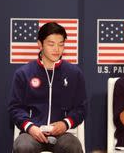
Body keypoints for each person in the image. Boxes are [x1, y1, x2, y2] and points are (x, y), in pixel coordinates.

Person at [9, 22, 87, 153]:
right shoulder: (24, 73)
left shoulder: (74, 73)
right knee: (23, 146)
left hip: (62, 135)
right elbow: (15, 108)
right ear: (40, 44)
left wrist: (65, 123)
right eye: (51, 44)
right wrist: (30, 127)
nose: (56, 49)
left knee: (72, 146)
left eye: (61, 44)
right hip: (32, 133)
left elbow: (81, 107)